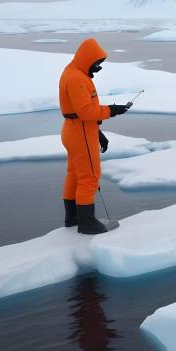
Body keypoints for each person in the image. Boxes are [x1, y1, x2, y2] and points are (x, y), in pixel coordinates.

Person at [59, 38, 129, 234]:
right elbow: (86, 112)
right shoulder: (77, 79)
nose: (98, 69)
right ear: (87, 59)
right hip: (80, 132)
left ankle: (72, 218)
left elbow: (80, 112)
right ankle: (87, 222)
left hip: (74, 130)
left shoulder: (72, 72)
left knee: (74, 174)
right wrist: (112, 110)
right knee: (89, 176)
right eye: (96, 64)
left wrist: (98, 133)